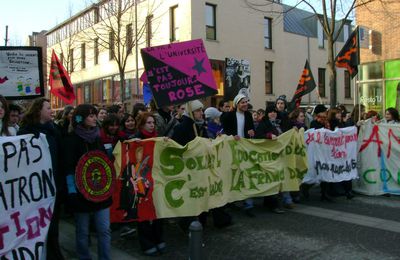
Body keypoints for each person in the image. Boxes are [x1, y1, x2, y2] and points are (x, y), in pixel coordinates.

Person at [18, 98, 64, 259]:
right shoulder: (25, 132)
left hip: (54, 186)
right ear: (38, 111)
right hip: (36, 189)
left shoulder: (54, 130)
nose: (52, 110)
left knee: (53, 225)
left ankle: (53, 253)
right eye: (48, 108)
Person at [64, 104, 112, 260]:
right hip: (80, 192)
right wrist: (72, 191)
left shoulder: (98, 137)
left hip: (100, 191)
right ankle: (84, 257)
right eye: (91, 116)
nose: (94, 119)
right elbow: (69, 167)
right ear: (81, 118)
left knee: (104, 229)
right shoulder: (71, 140)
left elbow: (104, 161)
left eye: (95, 115)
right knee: (83, 230)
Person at [134, 112, 166, 256]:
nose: (152, 125)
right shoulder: (135, 139)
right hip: (142, 181)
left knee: (158, 211)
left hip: (157, 179)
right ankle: (146, 242)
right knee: (144, 213)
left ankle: (158, 238)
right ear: (141, 125)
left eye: (153, 122)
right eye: (148, 123)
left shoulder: (158, 139)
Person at [221, 93, 255, 217]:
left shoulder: (249, 115)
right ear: (237, 104)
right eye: (242, 102)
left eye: (246, 102)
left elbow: (251, 131)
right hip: (232, 150)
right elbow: (224, 131)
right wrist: (231, 136)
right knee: (232, 174)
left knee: (246, 174)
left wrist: (251, 132)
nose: (245, 104)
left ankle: (249, 204)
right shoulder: (229, 116)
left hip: (245, 149)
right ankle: (230, 200)